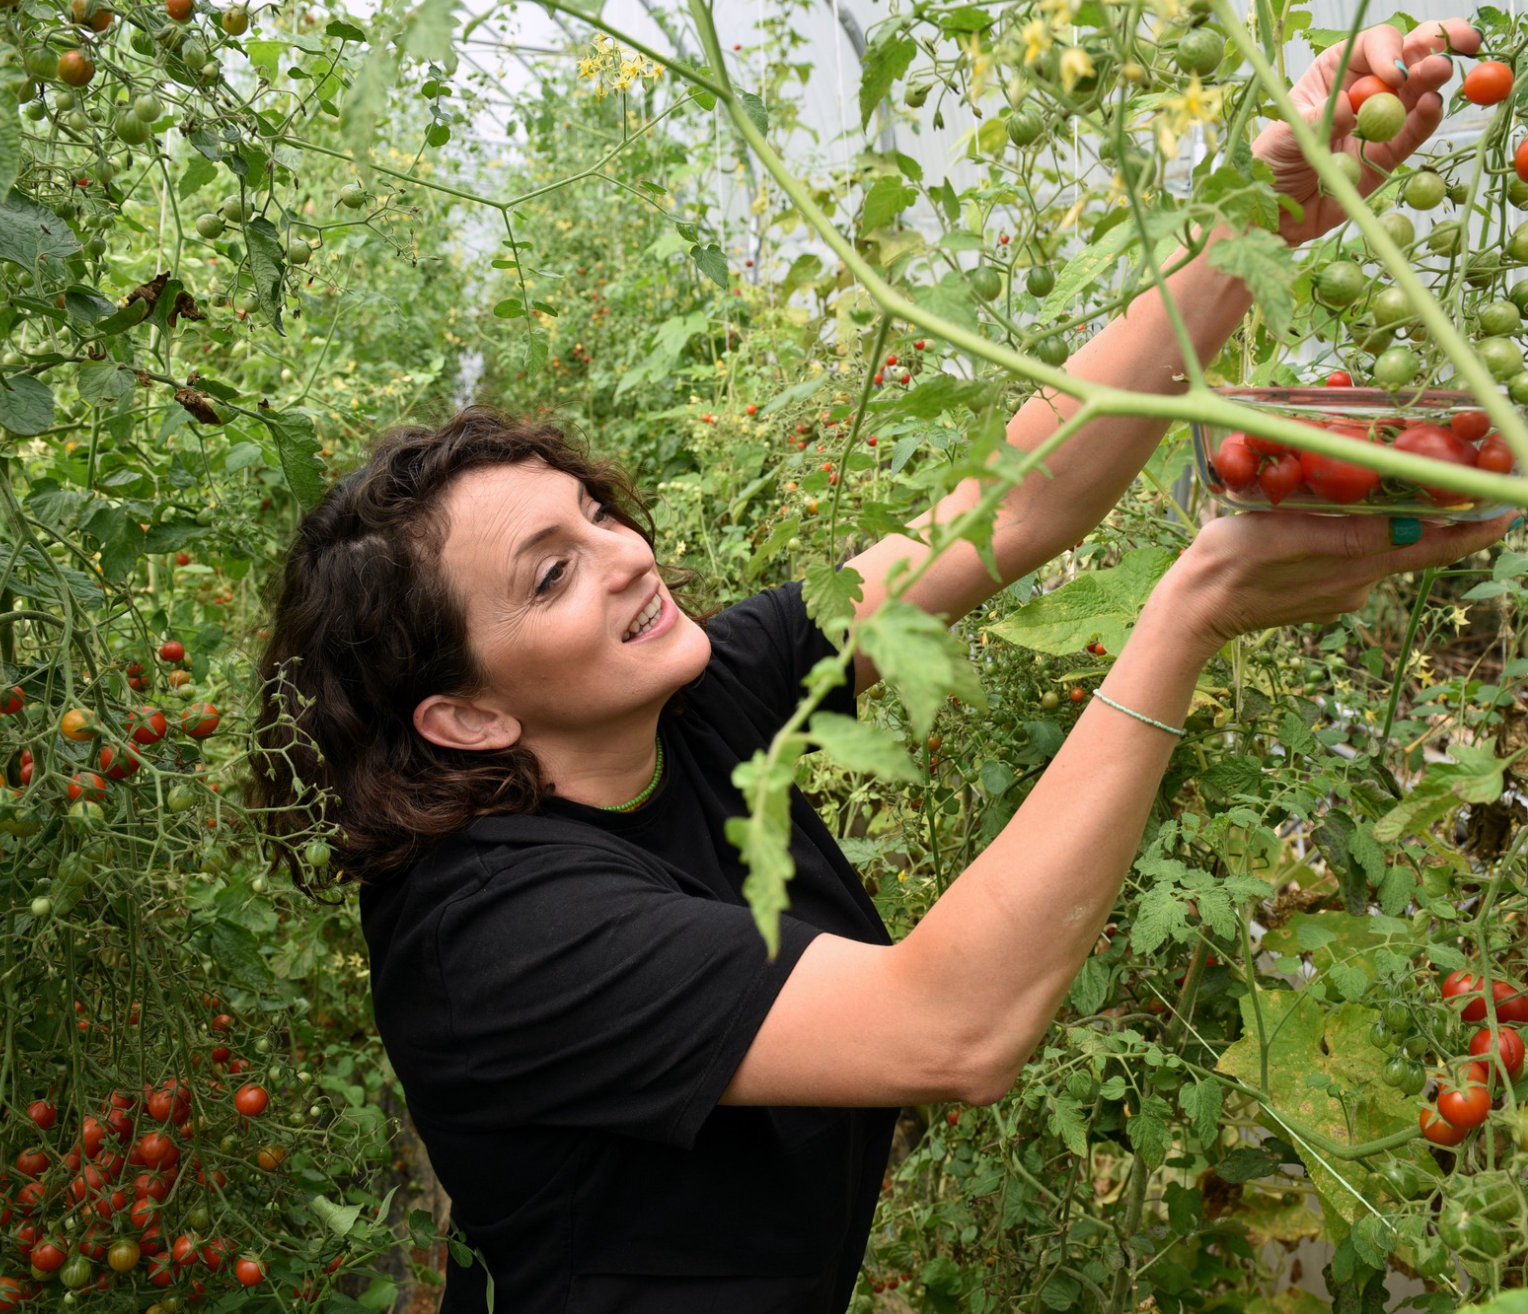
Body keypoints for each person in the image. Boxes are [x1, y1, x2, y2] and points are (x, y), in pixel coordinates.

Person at [251, 18, 1515, 1314]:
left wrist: (1253, 222)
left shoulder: (691, 699)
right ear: (461, 714)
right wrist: (1189, 609)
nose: (627, 552)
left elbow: (1004, 510)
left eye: (594, 512)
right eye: (551, 572)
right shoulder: (496, 938)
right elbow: (952, 1026)